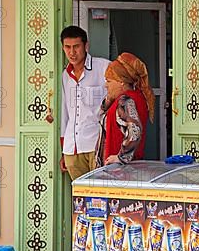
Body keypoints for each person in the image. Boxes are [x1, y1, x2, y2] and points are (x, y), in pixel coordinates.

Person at [59, 26, 110, 180]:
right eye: (67, 47)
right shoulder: (65, 75)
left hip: (97, 146)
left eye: (76, 47)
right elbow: (65, 113)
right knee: (80, 197)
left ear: (86, 46)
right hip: (72, 148)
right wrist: (64, 150)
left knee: (100, 194)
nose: (72, 52)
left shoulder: (104, 68)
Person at [96, 52, 155, 167]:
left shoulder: (125, 100)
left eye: (109, 81)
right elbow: (103, 112)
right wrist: (110, 99)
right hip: (128, 168)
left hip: (119, 170)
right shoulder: (137, 96)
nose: (106, 85)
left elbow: (135, 131)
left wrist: (121, 157)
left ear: (121, 82)